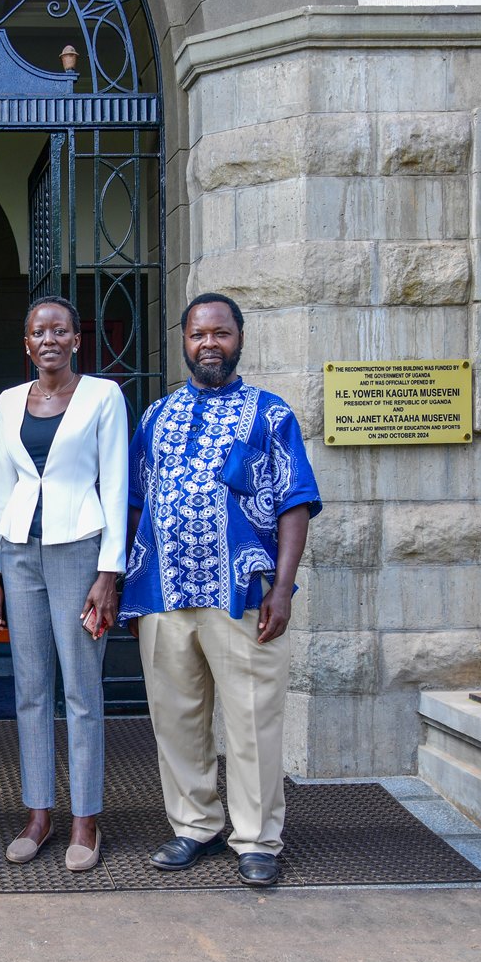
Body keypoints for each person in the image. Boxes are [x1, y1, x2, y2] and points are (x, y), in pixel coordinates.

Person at [120, 292, 320, 887]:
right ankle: (193, 826)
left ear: (239, 338)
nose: (210, 343)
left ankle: (257, 838)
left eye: (221, 333)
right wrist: (131, 583)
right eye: (198, 334)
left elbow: (295, 502)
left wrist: (282, 589)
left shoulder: (271, 414)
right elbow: (134, 503)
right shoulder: (155, 416)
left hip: (243, 594)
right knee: (176, 718)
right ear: (183, 341)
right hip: (164, 593)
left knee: (252, 718)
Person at [0, 296, 128, 872]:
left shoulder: (102, 396)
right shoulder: (10, 401)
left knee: (82, 690)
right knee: (30, 686)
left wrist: (108, 573)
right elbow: (1, 487)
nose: (49, 339)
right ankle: (39, 813)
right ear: (26, 342)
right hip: (19, 552)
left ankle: (85, 820)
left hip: (79, 550)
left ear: (76, 339)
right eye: (38, 330)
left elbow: (114, 485)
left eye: (59, 330)